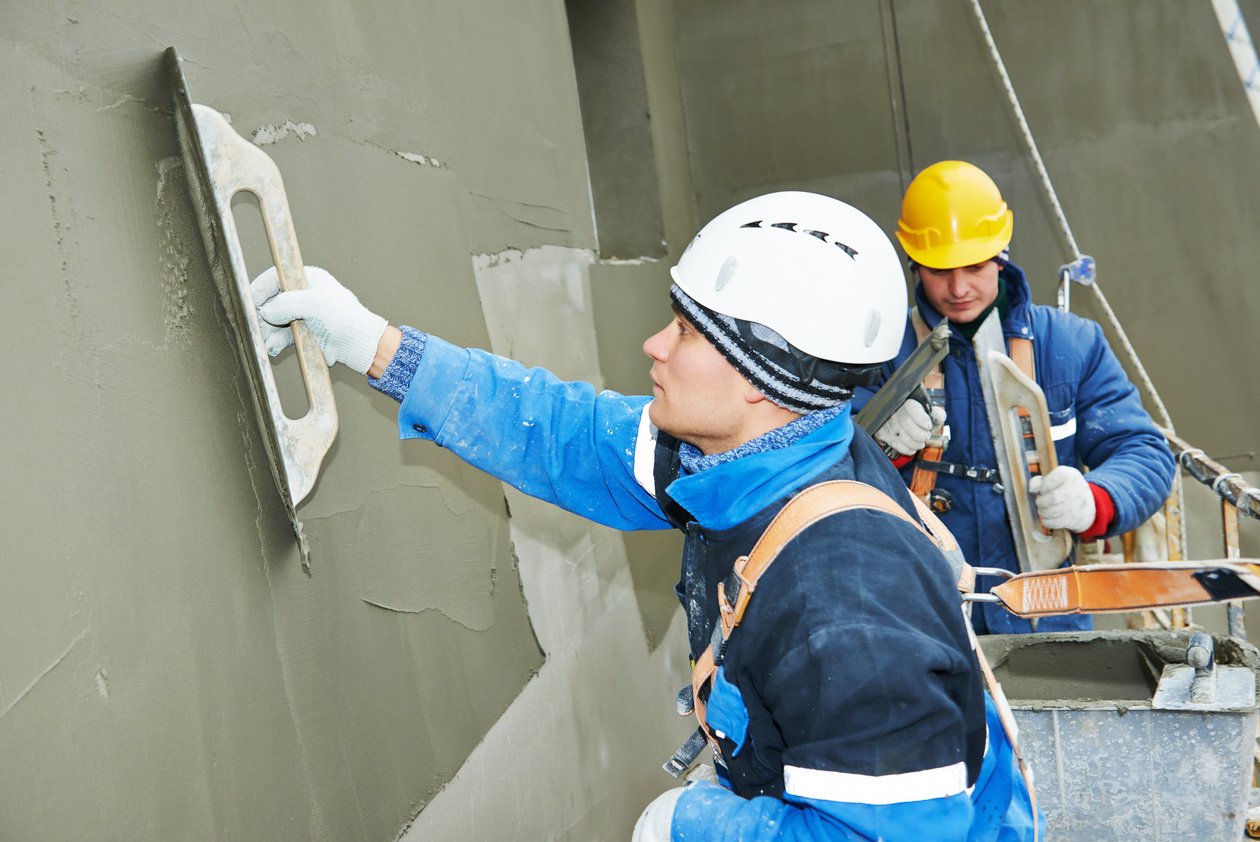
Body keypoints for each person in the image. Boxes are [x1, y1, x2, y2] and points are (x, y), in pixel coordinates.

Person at [252, 192, 1038, 839]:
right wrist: (373, 345)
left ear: (762, 379)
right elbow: (559, 432)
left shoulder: (845, 600)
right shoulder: (744, 459)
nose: (654, 344)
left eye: (688, 332)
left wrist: (694, 824)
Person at [864, 160, 1176, 635]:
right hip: (920, 616)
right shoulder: (881, 352)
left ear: (1001, 255)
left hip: (1045, 614)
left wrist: (1095, 501)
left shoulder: (1071, 346)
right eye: (940, 270)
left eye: (974, 265)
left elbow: (1142, 451)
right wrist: (876, 443)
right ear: (915, 263)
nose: (959, 287)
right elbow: (820, 462)